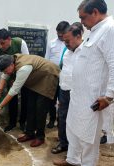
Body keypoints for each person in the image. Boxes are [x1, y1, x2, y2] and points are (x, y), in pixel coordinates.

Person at [53, 0, 114, 166]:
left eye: (83, 17)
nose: (81, 22)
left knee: (88, 133)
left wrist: (108, 97)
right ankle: (73, 159)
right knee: (73, 127)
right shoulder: (95, 32)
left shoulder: (111, 29)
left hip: (93, 97)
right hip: (78, 94)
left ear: (94, 12)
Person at [0, 54, 60, 147]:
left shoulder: (23, 68)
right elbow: (4, 76)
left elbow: (14, 90)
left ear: (12, 65)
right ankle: (29, 133)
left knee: (40, 108)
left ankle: (40, 137)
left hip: (48, 75)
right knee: (30, 106)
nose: (6, 73)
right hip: (36, 78)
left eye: (6, 70)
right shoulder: (10, 62)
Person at [51, 24, 84, 154]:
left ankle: (76, 147)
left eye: (68, 41)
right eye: (64, 41)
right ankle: (63, 143)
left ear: (78, 36)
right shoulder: (67, 52)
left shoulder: (86, 51)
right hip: (64, 90)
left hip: (79, 92)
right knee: (63, 117)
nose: (65, 44)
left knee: (77, 119)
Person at [0, 28, 29, 132]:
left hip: (24, 76)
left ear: (9, 39)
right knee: (12, 99)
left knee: (25, 99)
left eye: (2, 43)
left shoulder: (20, 43)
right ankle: (12, 123)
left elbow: (27, 61)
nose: (1, 46)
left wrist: (18, 78)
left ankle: (23, 122)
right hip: (10, 77)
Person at [45, 21, 70, 129]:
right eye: (58, 33)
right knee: (51, 99)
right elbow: (47, 59)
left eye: (62, 33)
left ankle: (61, 120)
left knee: (63, 100)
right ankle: (52, 119)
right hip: (52, 76)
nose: (60, 35)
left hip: (65, 77)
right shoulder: (51, 43)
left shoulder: (70, 43)